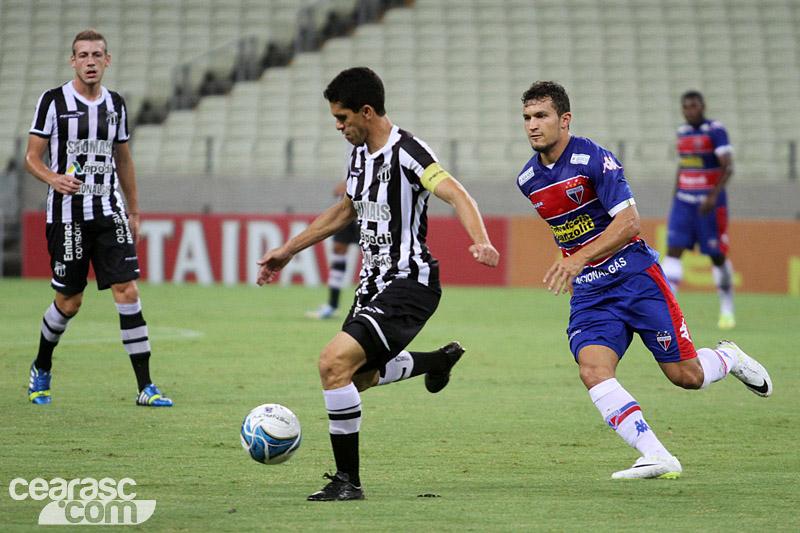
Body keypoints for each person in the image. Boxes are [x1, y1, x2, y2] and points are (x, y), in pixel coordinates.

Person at [257, 67, 499, 500]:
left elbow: (458, 194)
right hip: (372, 285)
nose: (338, 126)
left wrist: (480, 241)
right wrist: (288, 249)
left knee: (333, 365)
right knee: (359, 378)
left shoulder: (408, 152)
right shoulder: (358, 156)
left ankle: (348, 482)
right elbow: (344, 211)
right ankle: (436, 362)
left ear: (366, 112)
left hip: (410, 283)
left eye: (342, 118)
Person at [515, 81, 771, 479]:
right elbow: (571, 229)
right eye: (528, 117)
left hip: (635, 278)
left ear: (564, 120)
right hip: (591, 292)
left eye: (542, 116)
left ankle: (729, 358)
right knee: (592, 370)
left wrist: (577, 258)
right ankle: (656, 455)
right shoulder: (528, 180)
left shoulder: (594, 159)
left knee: (686, 376)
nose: (533, 125)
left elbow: (629, 222)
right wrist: (575, 263)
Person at [25, 29, 172, 407]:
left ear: (108, 61)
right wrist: (53, 178)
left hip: (109, 212)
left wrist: (134, 210)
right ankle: (41, 365)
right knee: (70, 301)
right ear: (72, 61)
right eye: (83, 55)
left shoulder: (116, 105)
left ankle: (146, 386)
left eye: (97, 55)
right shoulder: (53, 101)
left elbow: (123, 159)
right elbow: (32, 158)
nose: (90, 61)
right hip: (67, 217)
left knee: (128, 291)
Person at [663, 90, 736, 330]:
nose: (689, 110)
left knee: (716, 256)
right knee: (673, 251)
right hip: (684, 202)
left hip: (709, 206)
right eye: (685, 107)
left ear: (703, 106)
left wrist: (713, 196)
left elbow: (727, 167)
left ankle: (727, 308)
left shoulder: (715, 130)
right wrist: (675, 200)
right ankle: (667, 309)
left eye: (693, 106)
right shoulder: (682, 133)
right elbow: (683, 167)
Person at [306, 181, 360, 320]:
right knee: (338, 249)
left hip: (366, 206)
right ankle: (332, 305)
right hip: (347, 205)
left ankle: (375, 304)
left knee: (374, 251)